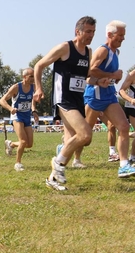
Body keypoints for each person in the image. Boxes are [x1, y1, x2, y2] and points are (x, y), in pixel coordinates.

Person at [33, 16, 104, 190]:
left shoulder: (88, 52)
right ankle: (57, 163)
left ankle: (53, 179)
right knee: (85, 134)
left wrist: (99, 80)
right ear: (77, 31)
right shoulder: (65, 48)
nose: (91, 35)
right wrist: (38, 88)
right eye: (88, 31)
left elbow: (85, 76)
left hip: (77, 100)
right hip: (63, 99)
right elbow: (39, 65)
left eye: (93, 32)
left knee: (78, 140)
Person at [83, 20, 135, 178]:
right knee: (84, 136)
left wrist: (114, 79)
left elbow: (109, 76)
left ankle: (124, 165)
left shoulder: (116, 53)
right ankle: (67, 149)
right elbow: (90, 71)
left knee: (124, 127)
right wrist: (112, 75)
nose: (123, 39)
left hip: (109, 95)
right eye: (120, 35)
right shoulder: (102, 50)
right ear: (109, 35)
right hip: (95, 94)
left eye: (124, 36)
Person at [0, 68, 38, 171]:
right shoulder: (16, 87)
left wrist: (34, 111)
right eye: (31, 76)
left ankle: (11, 144)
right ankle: (18, 163)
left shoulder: (33, 87)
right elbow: (2, 100)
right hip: (17, 117)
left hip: (27, 116)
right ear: (24, 77)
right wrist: (10, 108)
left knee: (29, 144)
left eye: (34, 76)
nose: (33, 79)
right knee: (23, 141)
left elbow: (33, 101)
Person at [119, 69, 135, 163]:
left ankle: (127, 134)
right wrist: (131, 99)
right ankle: (132, 157)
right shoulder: (132, 74)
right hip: (132, 107)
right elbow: (121, 90)